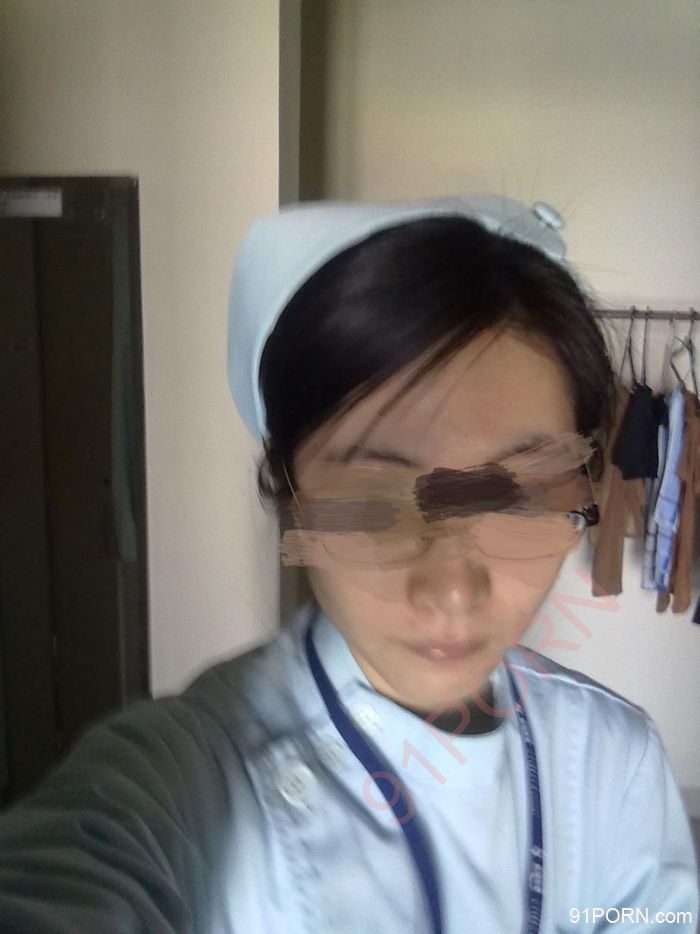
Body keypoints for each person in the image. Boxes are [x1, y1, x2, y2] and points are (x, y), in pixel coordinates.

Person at [0, 193, 697, 933]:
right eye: (375, 497)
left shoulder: (611, 762)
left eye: (518, 495)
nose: (453, 589)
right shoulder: (175, 788)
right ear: (289, 496)